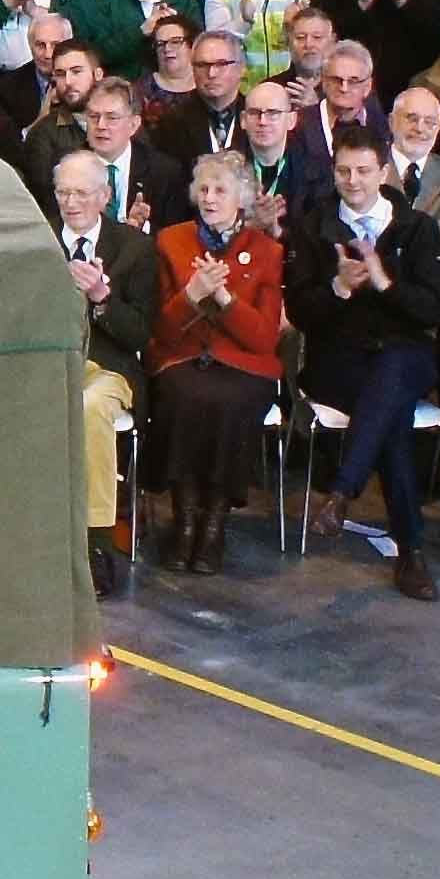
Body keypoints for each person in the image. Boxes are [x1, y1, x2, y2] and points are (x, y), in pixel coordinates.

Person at [296, 132, 440, 601]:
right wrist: (339, 288)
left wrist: (384, 284)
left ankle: (343, 490)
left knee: (394, 372)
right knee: (391, 416)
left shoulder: (419, 228)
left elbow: (435, 310)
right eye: (343, 171)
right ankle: (411, 552)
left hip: (407, 354)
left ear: (384, 173)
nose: (353, 181)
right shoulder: (312, 228)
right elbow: (300, 312)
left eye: (363, 171)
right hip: (340, 361)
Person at [144, 149, 284, 576]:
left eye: (220, 189)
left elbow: (263, 339)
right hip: (182, 357)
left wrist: (222, 300)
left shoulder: (267, 251)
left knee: (230, 401)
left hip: (243, 363)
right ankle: (185, 521)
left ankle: (214, 524)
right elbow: (161, 331)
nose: (209, 197)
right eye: (203, 188)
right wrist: (191, 296)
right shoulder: (171, 240)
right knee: (184, 396)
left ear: (241, 197)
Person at [46, 150, 159, 598]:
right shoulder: (37, 243)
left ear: (105, 195)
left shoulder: (134, 248)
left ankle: (95, 545)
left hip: (107, 369)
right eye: (63, 193)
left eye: (82, 193)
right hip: (49, 362)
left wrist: (100, 299)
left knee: (89, 406)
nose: (71, 203)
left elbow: (141, 333)